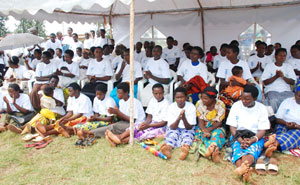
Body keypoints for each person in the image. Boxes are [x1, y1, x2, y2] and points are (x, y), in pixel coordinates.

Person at [226, 85, 270, 181]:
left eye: (247, 99)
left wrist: (252, 140)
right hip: (238, 135)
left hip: (255, 137)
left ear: (255, 98)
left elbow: (263, 130)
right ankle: (244, 170)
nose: (243, 101)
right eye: (242, 98)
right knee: (238, 151)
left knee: (251, 152)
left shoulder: (261, 108)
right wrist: (240, 140)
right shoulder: (236, 106)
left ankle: (241, 170)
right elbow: (232, 127)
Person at [75, 82, 145, 140]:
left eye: (120, 93)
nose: (117, 95)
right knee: (113, 126)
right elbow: (122, 117)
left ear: (127, 92)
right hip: (125, 122)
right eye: (117, 93)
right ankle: (88, 133)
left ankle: (88, 133)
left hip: (136, 124)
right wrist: (115, 112)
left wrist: (117, 112)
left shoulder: (134, 102)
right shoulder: (121, 102)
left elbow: (133, 120)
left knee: (113, 127)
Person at [263, 84, 300, 157]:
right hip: (284, 125)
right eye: (299, 96)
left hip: (298, 129)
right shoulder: (287, 101)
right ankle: (273, 144)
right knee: (280, 131)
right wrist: (286, 123)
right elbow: (277, 119)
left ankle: (273, 144)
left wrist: (297, 126)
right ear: (295, 94)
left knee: (296, 135)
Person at [160, 87, 196, 160]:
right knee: (172, 136)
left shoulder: (191, 107)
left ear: (186, 97)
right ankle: (168, 149)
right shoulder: (171, 107)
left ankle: (185, 149)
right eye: (177, 97)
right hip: (175, 127)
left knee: (187, 137)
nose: (179, 99)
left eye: (182, 97)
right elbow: (172, 127)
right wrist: (179, 118)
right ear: (174, 98)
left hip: (187, 128)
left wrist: (184, 118)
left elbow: (189, 127)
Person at [194, 87, 226, 163]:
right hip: (203, 125)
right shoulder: (199, 103)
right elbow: (200, 120)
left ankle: (212, 148)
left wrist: (209, 130)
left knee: (218, 134)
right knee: (200, 133)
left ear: (212, 99)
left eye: (205, 98)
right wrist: (204, 130)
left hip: (216, 126)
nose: (202, 100)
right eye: (202, 97)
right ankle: (212, 149)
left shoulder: (220, 105)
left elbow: (219, 122)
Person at [261, 48, 296, 113]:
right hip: (272, 90)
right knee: (274, 100)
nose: (282, 57)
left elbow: (292, 82)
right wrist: (276, 76)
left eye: (284, 56)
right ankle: (275, 119)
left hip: (286, 90)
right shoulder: (269, 66)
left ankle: (288, 117)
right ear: (275, 56)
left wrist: (283, 77)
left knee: (292, 99)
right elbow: (265, 82)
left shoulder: (288, 66)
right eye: (280, 55)